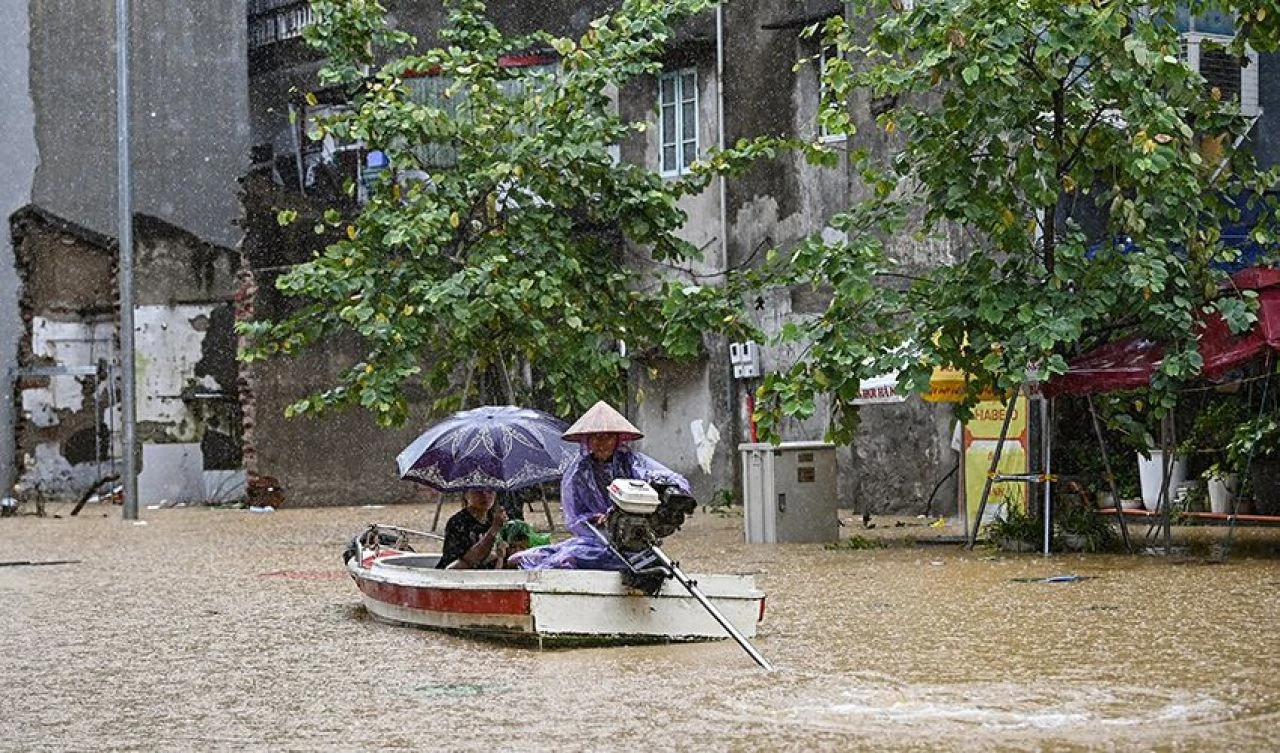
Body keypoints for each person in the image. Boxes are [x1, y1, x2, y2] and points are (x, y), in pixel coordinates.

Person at [510, 400, 690, 570]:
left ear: (617, 439)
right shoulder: (578, 473)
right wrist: (597, 520)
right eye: (595, 437)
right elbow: (575, 518)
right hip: (596, 540)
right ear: (587, 440)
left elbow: (668, 479)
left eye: (607, 437)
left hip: (635, 536)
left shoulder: (632, 463)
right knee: (566, 557)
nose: (601, 443)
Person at [437, 488, 508, 569]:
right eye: (478, 491)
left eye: (490, 491)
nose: (485, 495)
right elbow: (468, 561)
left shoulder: (496, 519)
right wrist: (494, 529)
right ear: (466, 495)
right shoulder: (459, 522)